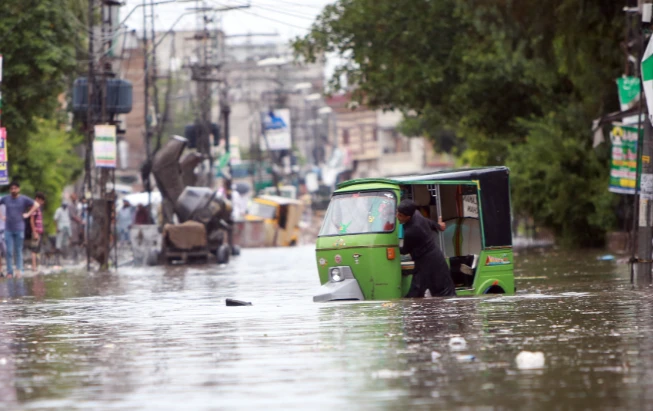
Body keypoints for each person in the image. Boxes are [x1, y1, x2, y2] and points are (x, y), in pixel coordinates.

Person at [397, 199, 456, 298]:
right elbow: (428, 221)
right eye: (397, 213)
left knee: (445, 292)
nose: (397, 217)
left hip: (431, 261)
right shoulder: (416, 213)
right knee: (418, 290)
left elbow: (405, 250)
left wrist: (392, 246)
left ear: (408, 217)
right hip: (426, 259)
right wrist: (438, 226)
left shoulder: (412, 230)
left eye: (400, 215)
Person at [0, 181, 40, 277]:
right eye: (11, 189)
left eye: (15, 188)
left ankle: (19, 270)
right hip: (8, 229)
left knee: (18, 250)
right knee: (9, 251)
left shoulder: (23, 199)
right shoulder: (6, 199)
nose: (13, 190)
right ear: (10, 190)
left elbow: (37, 205)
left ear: (18, 189)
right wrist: (2, 216)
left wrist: (28, 214)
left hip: (19, 228)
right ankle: (10, 272)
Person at [28, 193, 46, 272]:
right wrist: (34, 232)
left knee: (37, 250)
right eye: (41, 201)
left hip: (39, 231)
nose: (42, 203)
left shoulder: (38, 208)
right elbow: (31, 220)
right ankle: (34, 267)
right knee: (34, 250)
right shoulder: (34, 207)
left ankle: (36, 266)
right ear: (37, 199)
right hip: (36, 232)